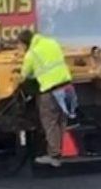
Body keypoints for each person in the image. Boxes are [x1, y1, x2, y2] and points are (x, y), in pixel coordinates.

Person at [18, 28, 74, 167]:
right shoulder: (51, 42)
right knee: (61, 121)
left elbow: (24, 76)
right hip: (67, 87)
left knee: (50, 122)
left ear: (24, 44)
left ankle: (54, 156)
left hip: (51, 90)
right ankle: (59, 151)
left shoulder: (31, 54)